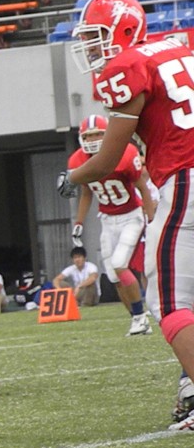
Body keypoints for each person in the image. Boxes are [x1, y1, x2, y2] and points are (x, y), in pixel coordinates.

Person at [58, 0, 194, 430]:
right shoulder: (175, 47)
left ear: (124, 29)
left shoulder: (129, 66)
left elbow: (107, 159)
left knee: (169, 301)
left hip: (185, 178)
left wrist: (71, 177)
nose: (89, 46)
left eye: (95, 35)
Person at [68, 114, 154, 335]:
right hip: (106, 220)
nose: (93, 139)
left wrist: (151, 217)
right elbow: (87, 192)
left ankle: (141, 316)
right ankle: (137, 319)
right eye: (88, 136)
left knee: (119, 264)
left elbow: (142, 188)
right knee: (114, 276)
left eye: (98, 134)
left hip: (131, 216)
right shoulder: (78, 160)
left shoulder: (124, 153)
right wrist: (79, 222)